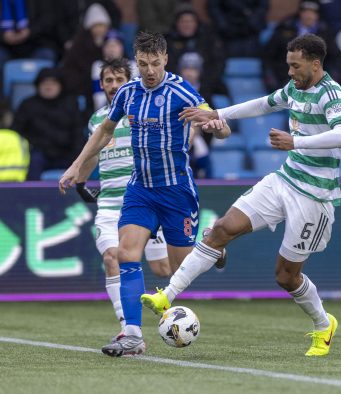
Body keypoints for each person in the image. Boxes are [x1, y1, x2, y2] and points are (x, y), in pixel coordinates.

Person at [141, 33, 341, 357]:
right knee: (221, 229)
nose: (290, 72)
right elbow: (263, 104)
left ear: (315, 63)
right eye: (288, 65)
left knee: (286, 276)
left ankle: (324, 325)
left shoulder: (331, 93)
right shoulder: (294, 88)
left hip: (315, 197)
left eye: (295, 66)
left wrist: (296, 142)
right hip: (285, 180)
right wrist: (217, 114)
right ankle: (166, 296)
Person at [59, 31, 230, 357]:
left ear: (165, 59)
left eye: (155, 63)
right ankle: (133, 335)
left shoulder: (182, 90)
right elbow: (104, 131)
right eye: (143, 64)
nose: (149, 70)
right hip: (140, 190)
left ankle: (213, 246)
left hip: (176, 191)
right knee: (125, 254)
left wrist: (215, 125)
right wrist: (76, 166)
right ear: (136, 62)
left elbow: (223, 128)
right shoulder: (128, 92)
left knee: (179, 268)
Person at [76, 58, 170, 335]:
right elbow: (93, 154)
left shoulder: (145, 111)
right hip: (110, 203)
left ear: (130, 82)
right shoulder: (97, 119)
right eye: (108, 80)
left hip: (144, 201)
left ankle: (210, 244)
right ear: (102, 85)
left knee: (163, 269)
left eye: (119, 79)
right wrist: (81, 181)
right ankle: (128, 331)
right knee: (111, 258)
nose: (114, 85)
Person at [12, 67, 83, 180]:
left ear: (60, 85)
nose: (48, 86)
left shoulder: (71, 103)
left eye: (53, 83)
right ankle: (31, 191)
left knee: (83, 160)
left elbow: (78, 132)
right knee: (34, 160)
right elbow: (16, 132)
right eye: (44, 83)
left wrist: (78, 156)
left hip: (66, 152)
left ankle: (77, 191)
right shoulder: (28, 104)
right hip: (38, 153)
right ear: (38, 85)